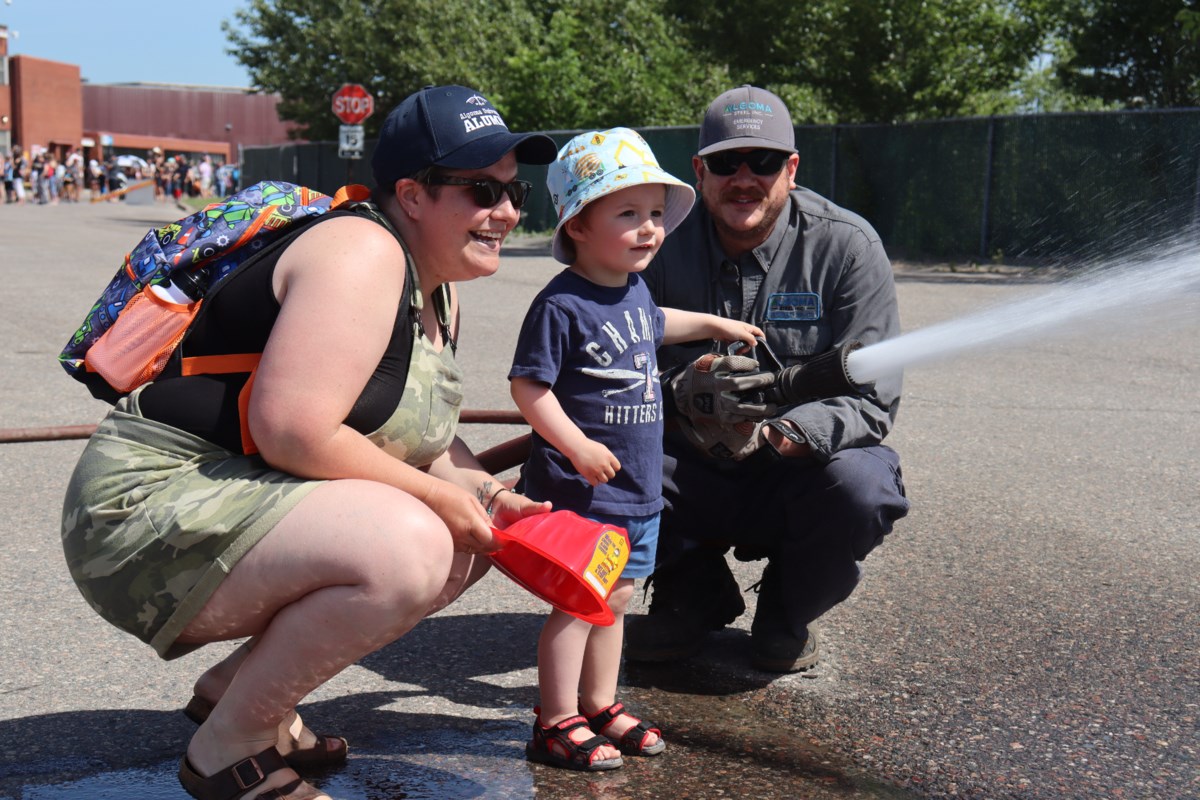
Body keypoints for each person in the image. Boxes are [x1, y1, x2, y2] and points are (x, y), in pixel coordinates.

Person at [61, 84, 557, 800]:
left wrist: (489, 498)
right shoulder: (362, 252)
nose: (507, 212)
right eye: (482, 191)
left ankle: (238, 694)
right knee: (411, 543)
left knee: (473, 535)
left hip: (234, 490)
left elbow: (423, 443)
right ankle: (227, 750)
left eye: (513, 191)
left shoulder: (433, 287)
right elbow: (292, 428)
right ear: (413, 195)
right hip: (146, 504)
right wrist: (435, 500)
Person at [625, 85, 911, 673]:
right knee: (581, 461)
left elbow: (874, 398)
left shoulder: (848, 248)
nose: (745, 178)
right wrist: (679, 393)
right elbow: (603, 366)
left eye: (765, 161)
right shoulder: (653, 244)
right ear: (699, 171)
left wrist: (791, 431)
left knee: (862, 485)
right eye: (727, 163)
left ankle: (786, 612)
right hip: (688, 466)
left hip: (793, 470)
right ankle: (691, 587)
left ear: (793, 168)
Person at [509, 128, 765, 771]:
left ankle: (599, 703)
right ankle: (554, 717)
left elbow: (658, 325)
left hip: (636, 491)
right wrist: (575, 445)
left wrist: (713, 323)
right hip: (584, 490)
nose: (649, 228)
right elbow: (528, 387)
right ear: (577, 225)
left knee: (617, 598)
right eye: (628, 213)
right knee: (578, 603)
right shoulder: (561, 304)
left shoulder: (633, 289)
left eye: (655, 213)